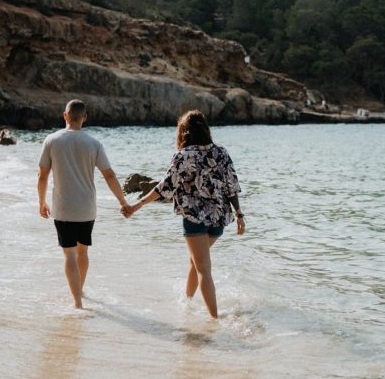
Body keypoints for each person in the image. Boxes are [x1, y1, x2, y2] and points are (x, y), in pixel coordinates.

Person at [123, 110, 245, 318]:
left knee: (203, 269)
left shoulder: (184, 155)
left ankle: (214, 319)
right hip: (218, 220)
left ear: (184, 132)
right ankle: (187, 303)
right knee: (196, 262)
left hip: (195, 219)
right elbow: (232, 186)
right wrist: (239, 215)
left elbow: (164, 188)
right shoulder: (221, 152)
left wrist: (136, 205)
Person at [38, 99, 128, 309]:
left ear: (65, 115)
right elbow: (109, 175)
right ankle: (80, 289)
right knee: (83, 251)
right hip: (87, 208)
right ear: (84, 118)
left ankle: (77, 301)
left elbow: (42, 175)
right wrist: (123, 202)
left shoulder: (52, 140)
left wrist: (41, 202)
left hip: (63, 207)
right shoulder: (94, 143)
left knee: (68, 253)